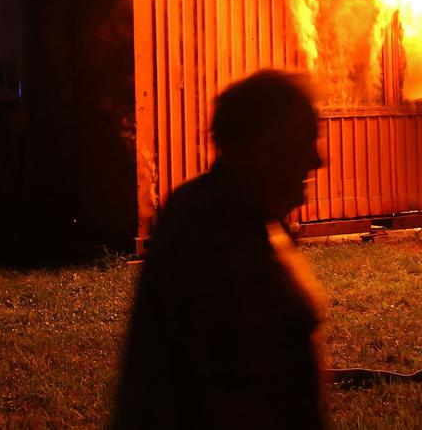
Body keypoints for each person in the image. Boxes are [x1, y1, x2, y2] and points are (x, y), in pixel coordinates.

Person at [113, 70, 329, 429]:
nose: (318, 160)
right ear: (265, 148)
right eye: (305, 140)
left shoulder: (248, 219)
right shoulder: (212, 235)